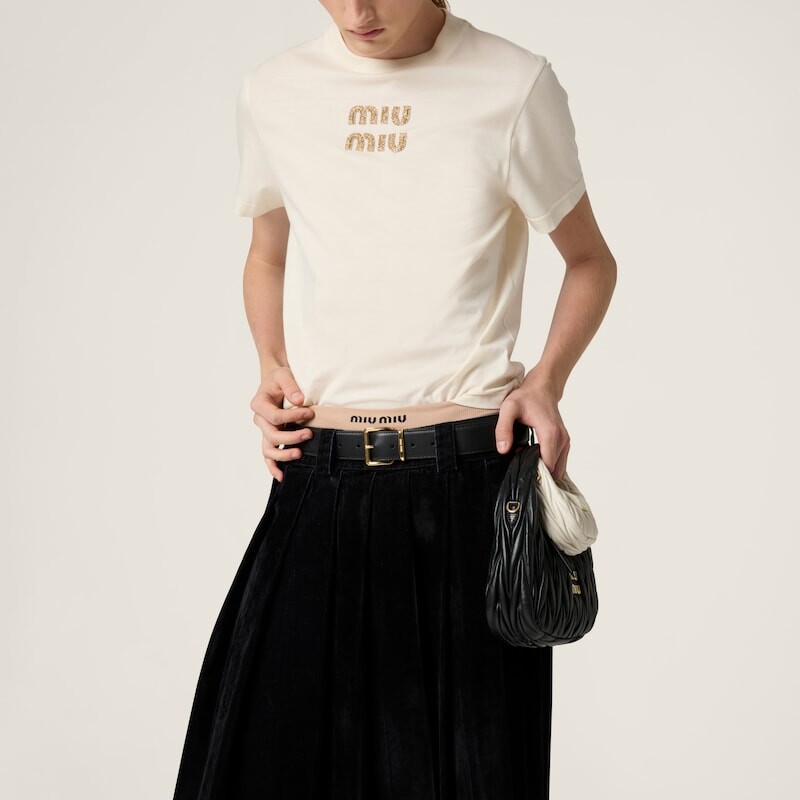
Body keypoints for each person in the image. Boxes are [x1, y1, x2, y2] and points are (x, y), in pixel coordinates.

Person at [172, 1, 616, 798]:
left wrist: (545, 381)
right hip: (319, 479)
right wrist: (271, 363)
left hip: (471, 491)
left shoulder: (513, 84)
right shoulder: (274, 90)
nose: (357, 12)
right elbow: (266, 254)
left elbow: (590, 260)